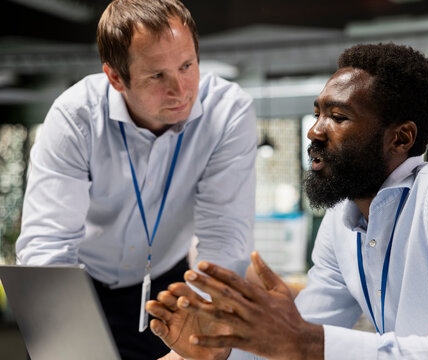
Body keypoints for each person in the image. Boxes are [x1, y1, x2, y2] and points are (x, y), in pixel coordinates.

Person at [146, 43, 428, 360]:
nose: (314, 130)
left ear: (401, 138)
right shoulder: (343, 220)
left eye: (338, 116)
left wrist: (304, 341)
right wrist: (222, 350)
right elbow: (300, 332)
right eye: (317, 113)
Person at [15, 0, 256, 359]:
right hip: (80, 284)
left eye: (187, 65)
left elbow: (224, 240)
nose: (180, 89)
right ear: (115, 77)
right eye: (157, 75)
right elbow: (47, 245)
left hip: (170, 282)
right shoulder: (75, 117)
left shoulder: (228, 112)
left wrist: (202, 334)